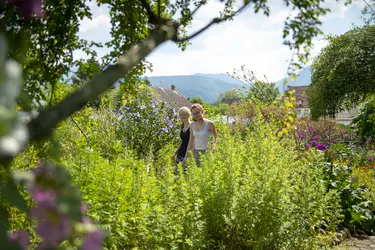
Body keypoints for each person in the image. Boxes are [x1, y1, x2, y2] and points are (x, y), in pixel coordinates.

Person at [184, 103, 217, 167]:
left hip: (207, 152)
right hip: (196, 152)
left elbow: (216, 137)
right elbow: (191, 141)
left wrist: (214, 147)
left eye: (197, 112)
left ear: (202, 112)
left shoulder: (209, 123)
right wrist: (186, 156)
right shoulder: (192, 125)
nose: (196, 115)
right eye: (194, 113)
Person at [172, 106, 192, 174]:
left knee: (185, 175)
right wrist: (175, 153)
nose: (182, 116)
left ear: (188, 114)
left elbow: (190, 142)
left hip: (188, 155)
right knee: (177, 173)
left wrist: (186, 157)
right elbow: (183, 141)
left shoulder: (192, 126)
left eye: (184, 114)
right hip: (180, 154)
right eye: (180, 115)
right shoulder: (182, 125)